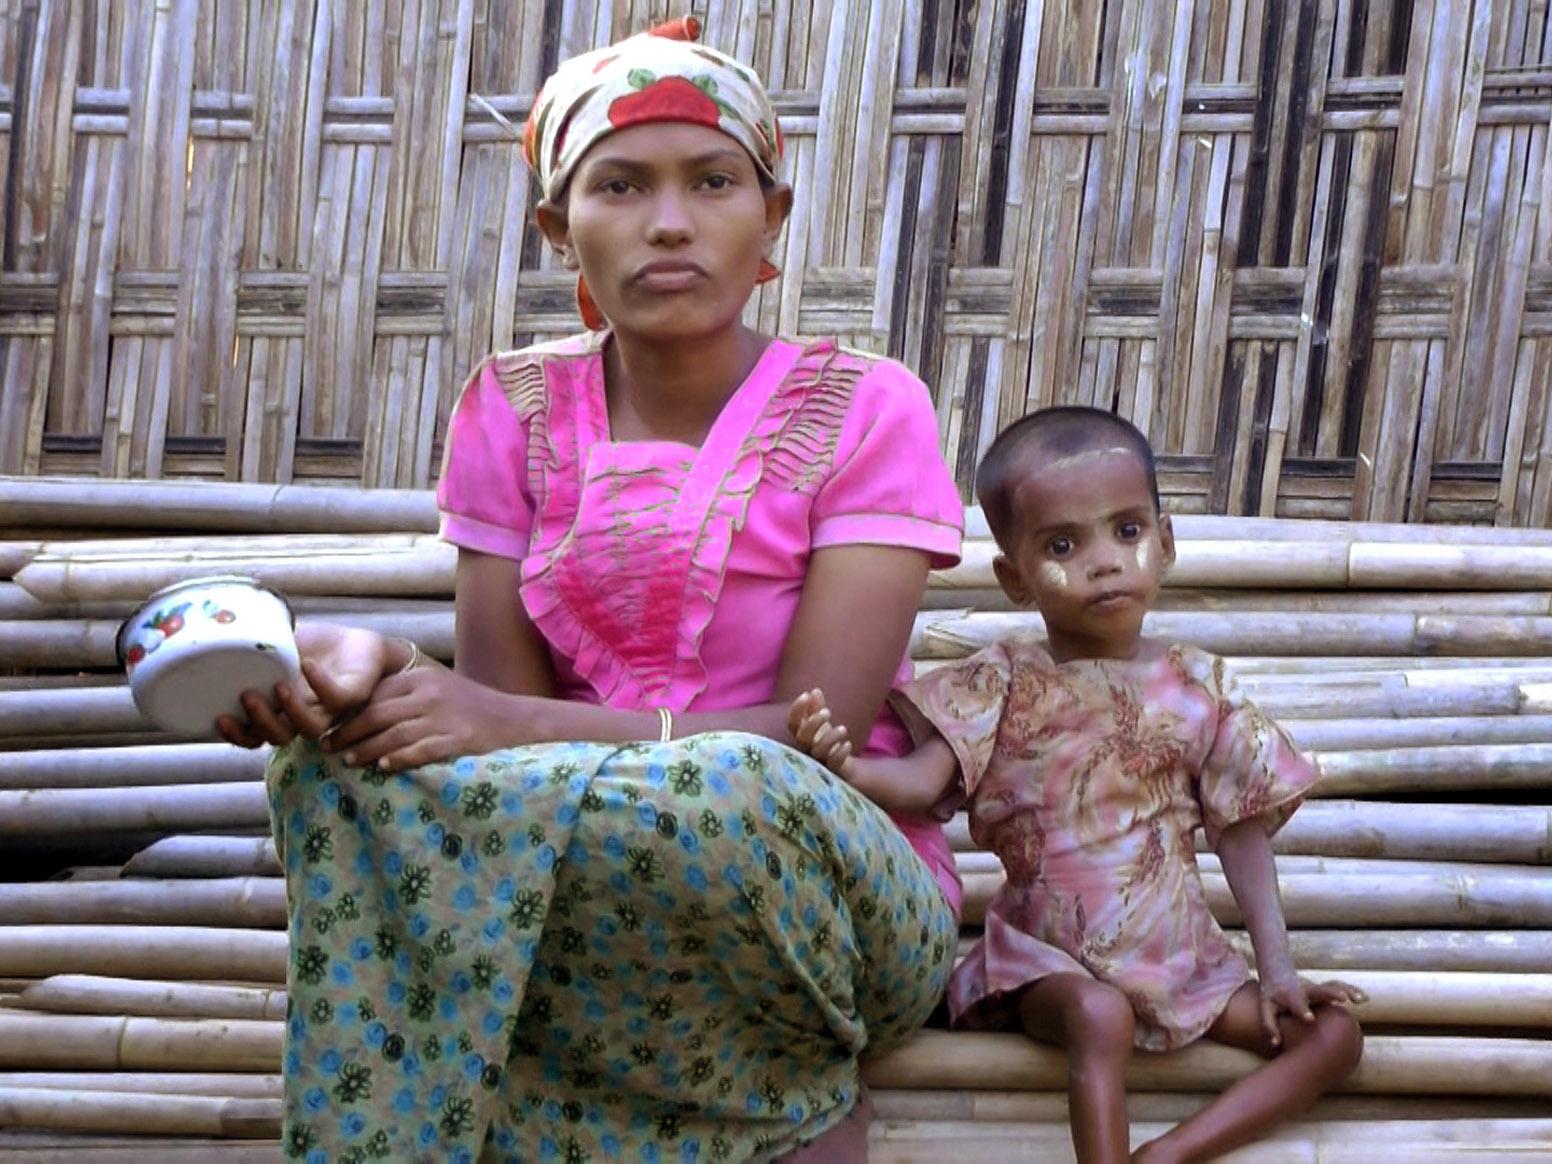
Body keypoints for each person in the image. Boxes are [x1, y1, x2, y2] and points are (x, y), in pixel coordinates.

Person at [219, 18, 964, 1162]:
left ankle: (781, 1095)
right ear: (560, 229)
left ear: (771, 217)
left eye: (713, 180)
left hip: (829, 890)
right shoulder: (507, 405)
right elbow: (491, 765)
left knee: (725, 789)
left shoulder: (867, 408)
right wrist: (368, 675)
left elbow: (819, 749)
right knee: (332, 767)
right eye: (619, 185)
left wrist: (504, 720)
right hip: (583, 877)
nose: (669, 222)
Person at [788, 406, 1366, 1164]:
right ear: (1015, 578)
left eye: (1127, 532)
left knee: (1335, 1036)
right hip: (1048, 960)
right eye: (1064, 544)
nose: (1103, 560)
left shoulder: (1198, 687)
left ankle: (1167, 1156)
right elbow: (921, 780)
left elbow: (1242, 831)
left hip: (1182, 958)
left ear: (1166, 542)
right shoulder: (998, 681)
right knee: (1101, 1017)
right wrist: (848, 768)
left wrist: (1278, 967)